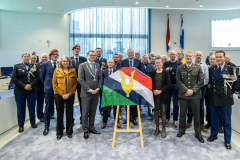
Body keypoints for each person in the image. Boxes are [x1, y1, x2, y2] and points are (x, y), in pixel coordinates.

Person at [207, 50, 238, 150]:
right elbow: (210, 83)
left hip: (225, 99)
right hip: (214, 97)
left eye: (220, 57)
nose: (218, 59)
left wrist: (228, 93)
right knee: (214, 118)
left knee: (226, 121)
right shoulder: (212, 68)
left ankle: (227, 140)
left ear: (224, 58)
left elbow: (234, 85)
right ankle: (214, 134)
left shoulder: (231, 69)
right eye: (217, 57)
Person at [176, 51, 204, 143]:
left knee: (196, 115)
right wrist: (186, 90)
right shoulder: (180, 67)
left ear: (193, 57)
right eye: (187, 56)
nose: (188, 58)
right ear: (185, 57)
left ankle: (198, 134)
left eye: (190, 56)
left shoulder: (198, 68)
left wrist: (192, 91)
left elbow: (201, 81)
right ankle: (181, 130)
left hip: (195, 95)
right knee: (183, 114)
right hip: (183, 95)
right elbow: (178, 80)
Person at [12, 52, 39, 133]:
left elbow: (37, 77)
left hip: (32, 90)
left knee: (32, 108)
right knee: (20, 109)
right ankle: (21, 125)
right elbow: (14, 79)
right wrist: (24, 86)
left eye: (28, 56)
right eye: (25, 56)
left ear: (30, 58)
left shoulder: (34, 66)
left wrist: (30, 85)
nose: (26, 58)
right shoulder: (17, 66)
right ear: (22, 58)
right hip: (20, 91)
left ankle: (33, 123)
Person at [79, 50, 102, 140]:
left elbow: (100, 78)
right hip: (86, 93)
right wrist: (89, 89)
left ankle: (91, 128)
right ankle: (85, 130)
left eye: (94, 55)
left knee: (93, 112)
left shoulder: (97, 65)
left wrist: (97, 88)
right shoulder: (82, 65)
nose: (92, 57)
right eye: (91, 55)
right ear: (87, 55)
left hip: (96, 93)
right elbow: (81, 79)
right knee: (85, 113)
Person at [52, 56, 77, 140]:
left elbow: (74, 84)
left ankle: (69, 132)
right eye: (64, 61)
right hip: (59, 95)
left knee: (69, 114)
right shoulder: (57, 70)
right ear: (61, 63)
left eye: (67, 61)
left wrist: (69, 94)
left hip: (70, 95)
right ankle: (59, 132)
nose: (65, 63)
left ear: (69, 62)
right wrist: (62, 94)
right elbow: (54, 84)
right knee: (59, 114)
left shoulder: (73, 71)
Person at [186, 51, 209, 133]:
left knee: (201, 107)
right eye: (197, 55)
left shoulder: (205, 66)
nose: (198, 56)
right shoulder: (191, 65)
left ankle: (201, 124)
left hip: (201, 89)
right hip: (191, 89)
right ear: (194, 56)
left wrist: (198, 87)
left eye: (200, 55)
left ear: (202, 56)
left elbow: (206, 79)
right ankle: (189, 122)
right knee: (189, 105)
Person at [119, 49, 141, 125]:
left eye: (132, 53)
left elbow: (140, 73)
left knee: (134, 102)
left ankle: (134, 118)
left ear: (134, 53)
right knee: (127, 101)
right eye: (129, 53)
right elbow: (121, 72)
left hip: (135, 85)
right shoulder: (124, 62)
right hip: (126, 85)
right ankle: (128, 118)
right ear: (127, 54)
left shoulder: (138, 62)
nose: (131, 54)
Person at [40, 49, 60, 136]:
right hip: (49, 89)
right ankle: (46, 126)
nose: (55, 55)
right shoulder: (45, 64)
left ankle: (60, 125)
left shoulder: (60, 64)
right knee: (48, 108)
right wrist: (47, 85)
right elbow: (42, 77)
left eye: (57, 54)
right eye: (54, 54)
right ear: (50, 56)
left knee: (59, 108)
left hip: (59, 89)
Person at [150, 56, 170, 138]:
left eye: (159, 62)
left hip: (163, 95)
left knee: (163, 112)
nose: (158, 64)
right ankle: (157, 128)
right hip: (155, 96)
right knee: (156, 112)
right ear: (155, 63)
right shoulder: (152, 73)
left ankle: (164, 129)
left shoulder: (165, 73)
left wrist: (160, 91)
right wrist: (154, 90)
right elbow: (150, 84)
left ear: (162, 63)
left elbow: (168, 84)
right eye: (156, 62)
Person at [162, 50, 182, 127]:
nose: (172, 55)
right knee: (167, 103)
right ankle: (167, 118)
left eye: (174, 54)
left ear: (176, 55)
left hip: (176, 86)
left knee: (176, 104)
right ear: (169, 55)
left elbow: (180, 71)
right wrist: (174, 70)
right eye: (171, 54)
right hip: (167, 86)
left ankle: (175, 119)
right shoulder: (166, 63)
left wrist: (170, 69)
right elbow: (164, 72)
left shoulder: (179, 63)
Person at [205, 55, 224, 133]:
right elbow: (206, 79)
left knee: (218, 110)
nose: (212, 60)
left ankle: (220, 126)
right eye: (211, 59)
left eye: (214, 59)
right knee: (209, 108)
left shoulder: (220, 69)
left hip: (218, 93)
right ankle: (209, 122)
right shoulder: (208, 69)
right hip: (209, 92)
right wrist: (208, 85)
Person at [70, 44, 87, 124]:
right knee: (71, 102)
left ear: (80, 50)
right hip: (71, 84)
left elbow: (85, 71)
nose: (76, 50)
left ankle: (82, 118)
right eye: (75, 49)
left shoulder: (84, 59)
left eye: (78, 49)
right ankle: (71, 119)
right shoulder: (69, 59)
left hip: (81, 83)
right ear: (73, 50)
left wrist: (80, 79)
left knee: (82, 102)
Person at [101, 59, 121, 129]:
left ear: (113, 64)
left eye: (111, 62)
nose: (110, 63)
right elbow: (101, 82)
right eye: (109, 62)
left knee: (116, 108)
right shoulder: (103, 72)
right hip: (106, 93)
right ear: (107, 63)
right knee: (105, 108)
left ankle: (117, 122)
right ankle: (104, 122)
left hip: (115, 93)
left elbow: (119, 82)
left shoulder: (117, 72)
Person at [36, 53, 48, 122]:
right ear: (40, 58)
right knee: (40, 103)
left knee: (49, 102)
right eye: (43, 57)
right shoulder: (36, 65)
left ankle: (49, 114)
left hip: (48, 87)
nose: (44, 58)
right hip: (39, 88)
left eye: (45, 57)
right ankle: (40, 116)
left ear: (48, 58)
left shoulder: (50, 64)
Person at [95, 48, 107, 115]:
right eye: (97, 51)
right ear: (96, 52)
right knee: (94, 97)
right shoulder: (93, 60)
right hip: (95, 81)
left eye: (99, 51)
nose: (98, 52)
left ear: (101, 52)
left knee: (102, 96)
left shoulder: (105, 60)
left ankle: (102, 109)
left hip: (103, 81)